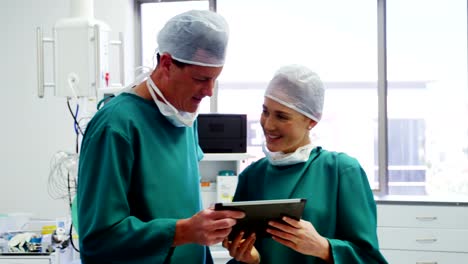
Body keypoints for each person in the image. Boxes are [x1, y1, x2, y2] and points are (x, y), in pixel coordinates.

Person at [76, 10, 244, 264]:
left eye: (215, 80)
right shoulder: (115, 126)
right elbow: (98, 238)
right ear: (166, 63)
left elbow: (184, 202)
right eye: (201, 79)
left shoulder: (184, 116)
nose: (209, 92)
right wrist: (184, 231)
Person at [223, 64, 388, 264]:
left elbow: (370, 259)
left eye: (282, 116)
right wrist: (249, 259)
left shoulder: (341, 171)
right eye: (265, 111)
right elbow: (246, 250)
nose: (268, 124)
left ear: (311, 121)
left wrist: (324, 248)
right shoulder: (252, 176)